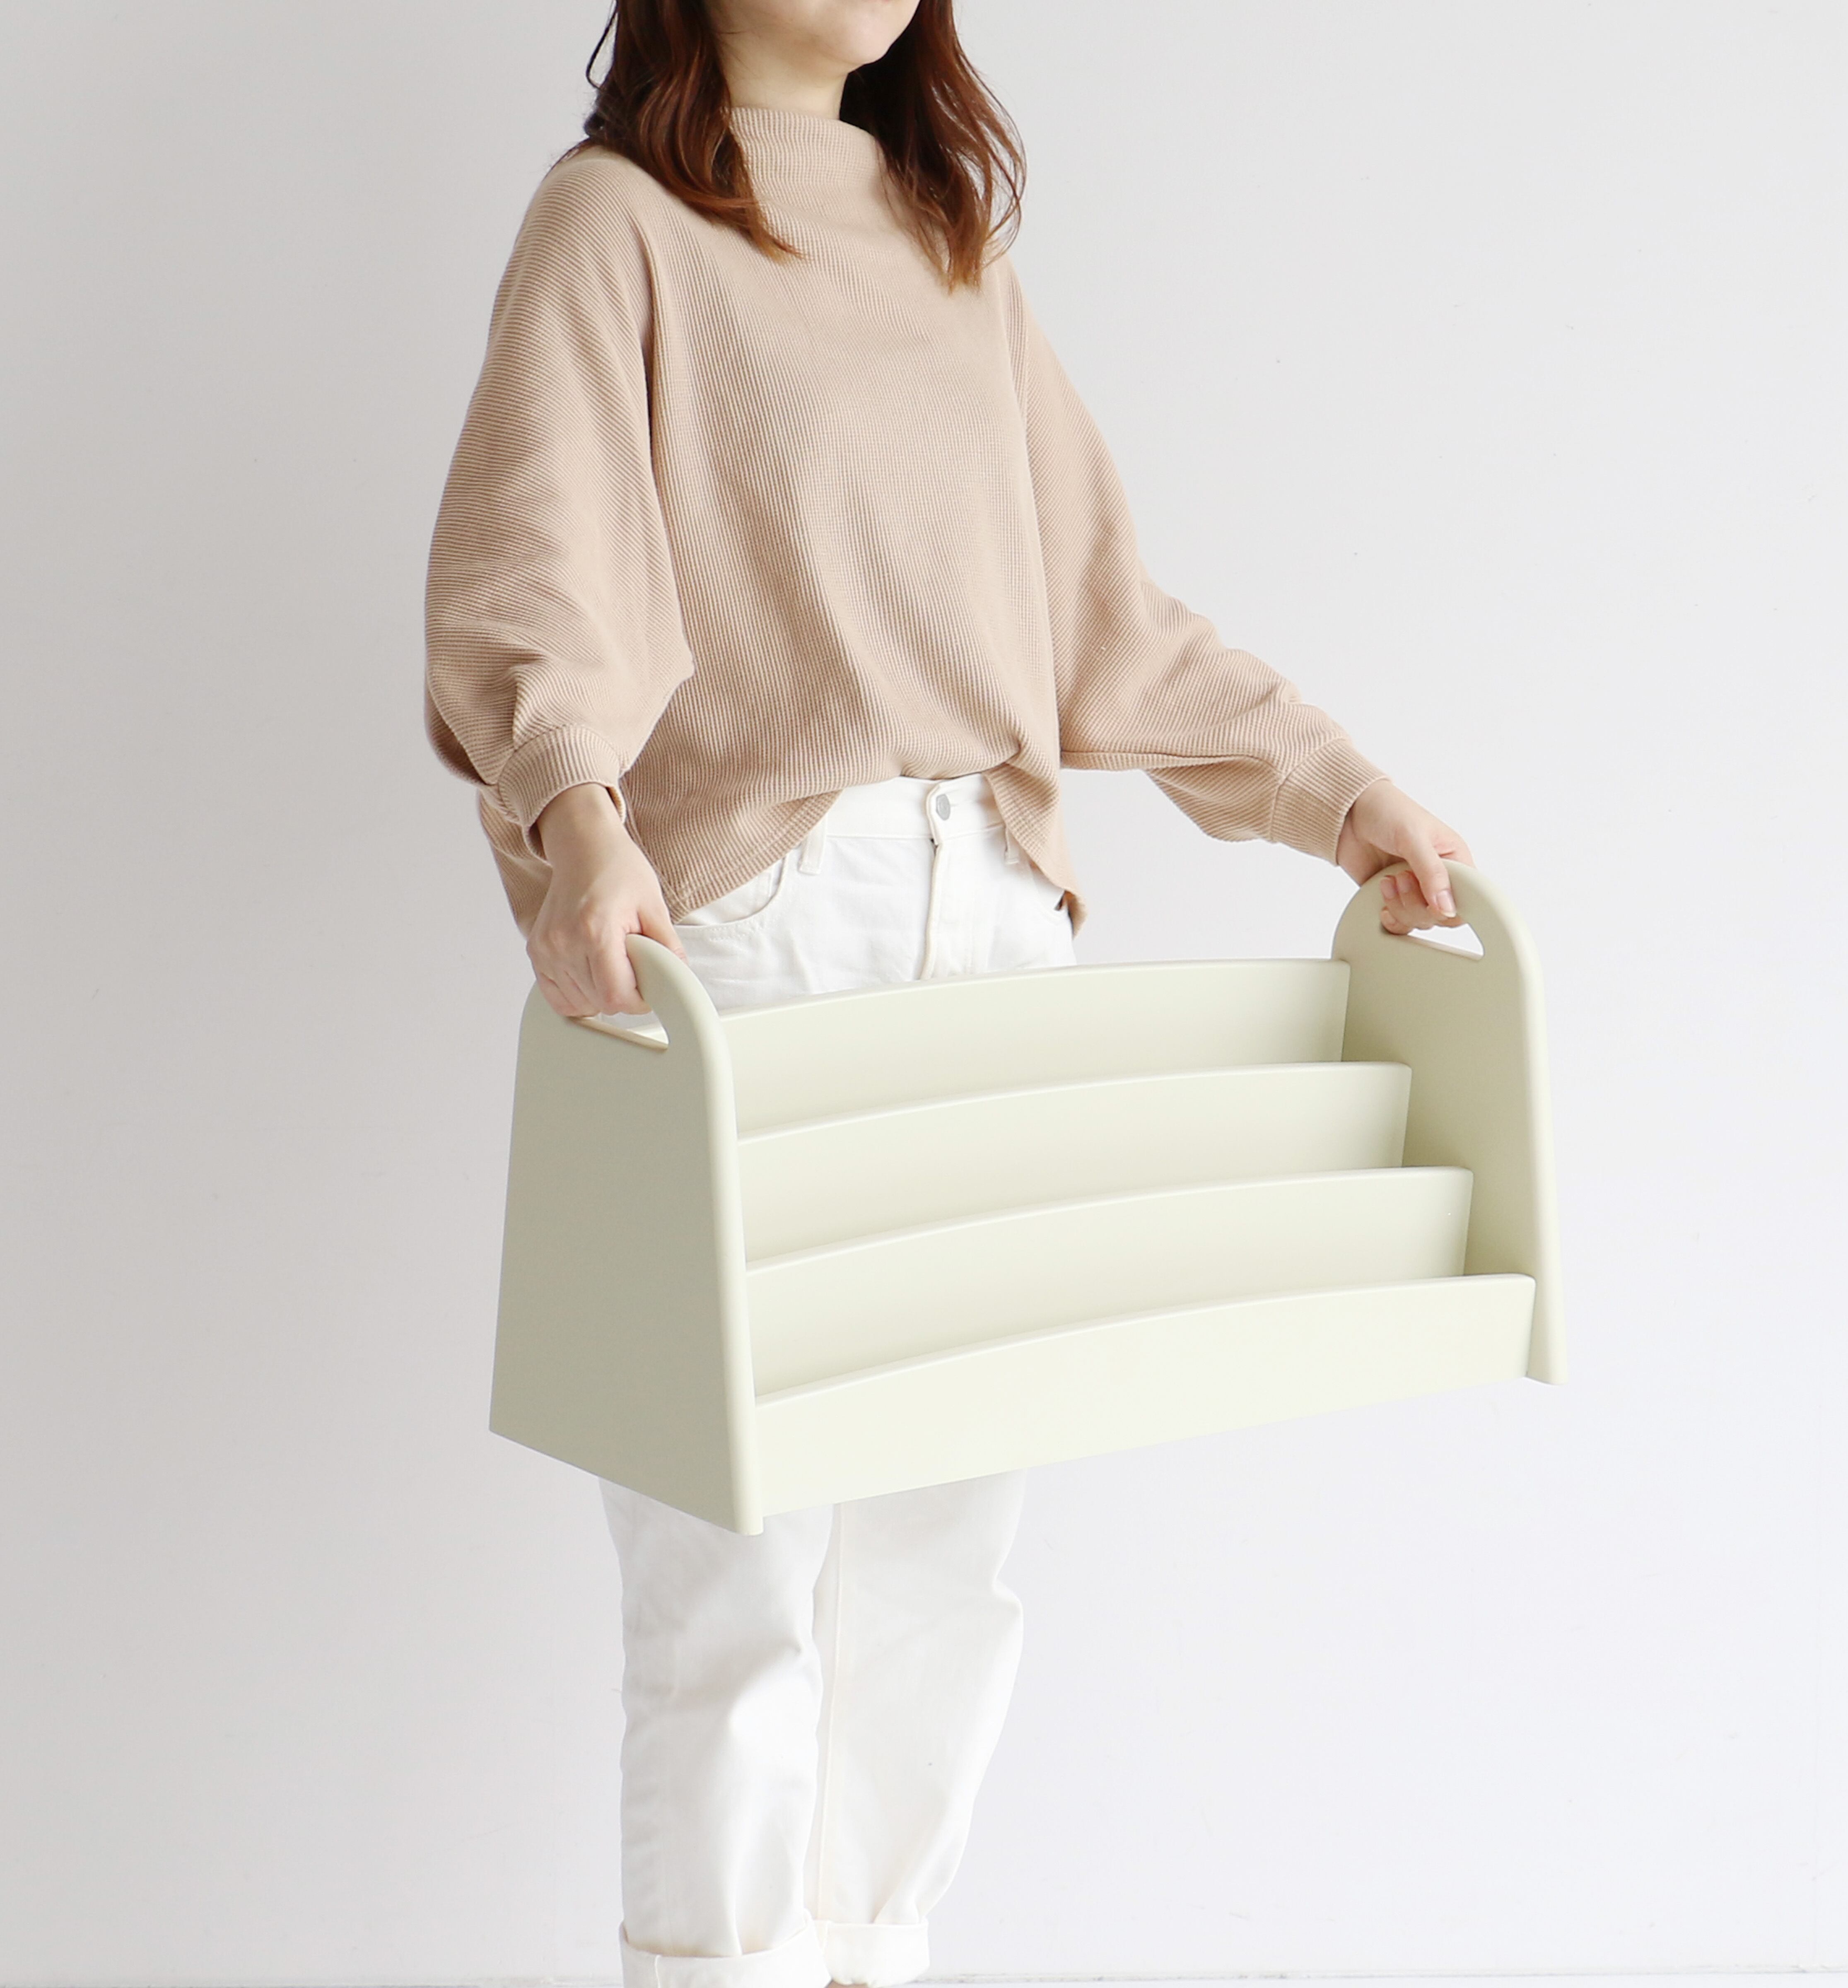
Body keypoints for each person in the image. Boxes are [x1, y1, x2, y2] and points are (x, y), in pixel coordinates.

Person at [424, 4, 1474, 1986]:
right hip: (749, 933)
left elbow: (1105, 624)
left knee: (940, 1566)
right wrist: (576, 826)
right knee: (736, 1570)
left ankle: (878, 1958)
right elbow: (532, 581)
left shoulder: (950, 251)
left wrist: (1335, 793)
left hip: (989, 922)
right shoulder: (616, 225)